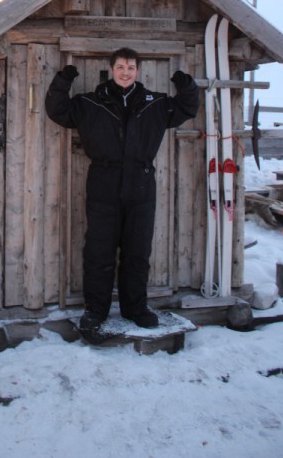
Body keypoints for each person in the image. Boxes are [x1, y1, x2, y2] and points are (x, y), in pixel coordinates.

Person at [45, 47, 199, 342]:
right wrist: (64, 80)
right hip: (104, 181)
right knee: (99, 251)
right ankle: (96, 310)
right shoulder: (91, 103)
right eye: (120, 67)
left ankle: (135, 308)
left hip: (141, 185)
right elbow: (58, 111)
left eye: (130, 67)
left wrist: (186, 84)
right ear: (111, 69)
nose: (125, 72)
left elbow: (186, 108)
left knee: (137, 252)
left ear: (137, 70)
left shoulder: (155, 103)